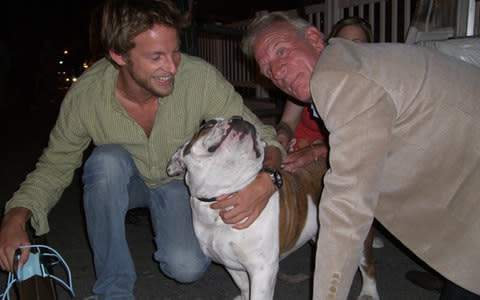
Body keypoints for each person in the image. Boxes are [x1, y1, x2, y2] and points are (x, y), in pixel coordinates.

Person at [0, 1, 284, 299]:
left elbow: (262, 133)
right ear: (119, 55)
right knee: (106, 162)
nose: (173, 67)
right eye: (156, 56)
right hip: (124, 180)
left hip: (176, 185)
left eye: (175, 51)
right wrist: (15, 217)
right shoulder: (87, 96)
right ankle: (114, 289)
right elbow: (54, 165)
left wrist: (268, 178)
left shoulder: (198, 77)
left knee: (186, 266)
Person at [241, 11, 480, 300]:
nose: (277, 72)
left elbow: (347, 210)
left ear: (315, 40)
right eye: (267, 70)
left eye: (281, 51)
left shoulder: (339, 79)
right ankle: (452, 274)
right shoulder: (344, 62)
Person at [277, 16, 373, 172]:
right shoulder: (308, 79)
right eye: (342, 43)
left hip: (336, 153)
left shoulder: (371, 90)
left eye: (356, 44)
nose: (348, 50)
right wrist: (282, 136)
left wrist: (319, 150)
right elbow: (287, 123)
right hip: (298, 146)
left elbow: (363, 144)